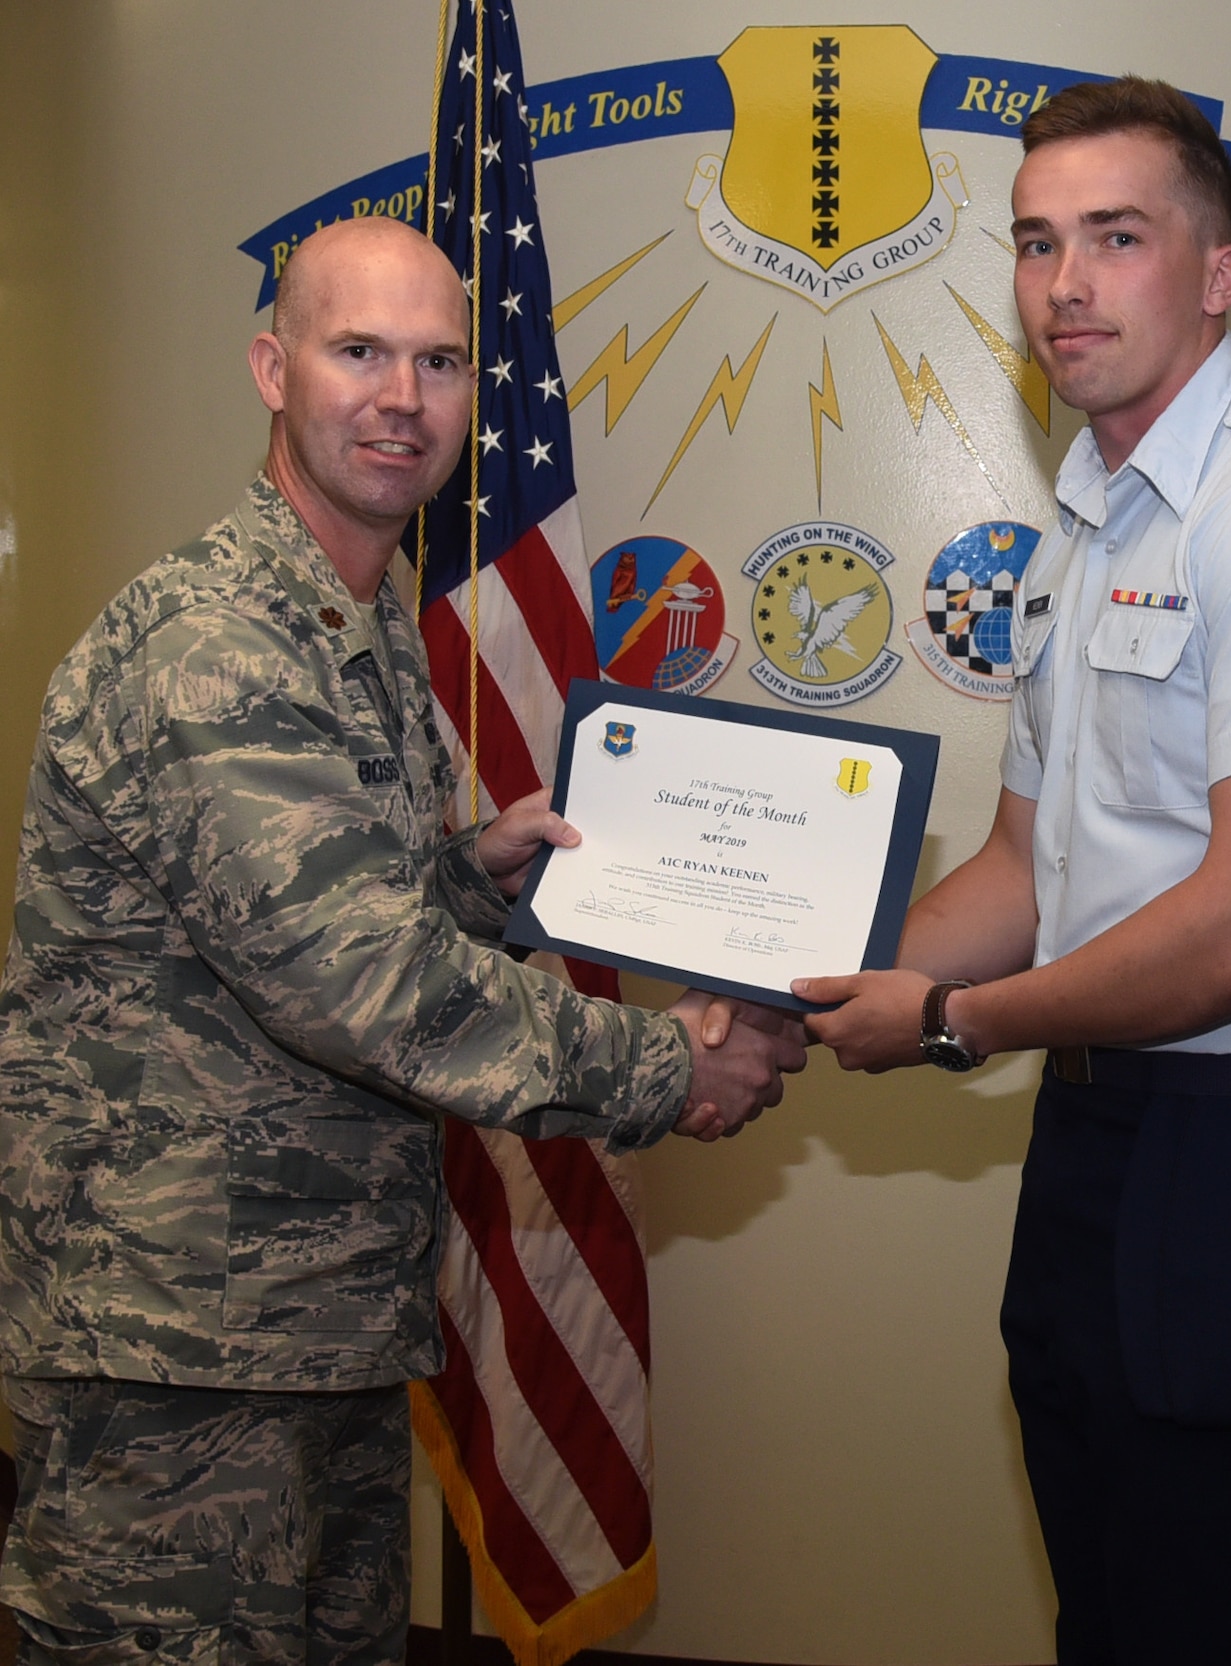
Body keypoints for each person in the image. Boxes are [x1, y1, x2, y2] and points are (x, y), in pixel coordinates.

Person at [0, 217, 805, 1665]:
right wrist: (664, 1065)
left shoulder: (350, 623)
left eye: (439, 362)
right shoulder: (217, 641)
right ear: (272, 366)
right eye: (358, 351)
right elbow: (359, 984)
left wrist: (466, 875)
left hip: (315, 1324)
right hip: (178, 1352)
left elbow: (298, 927)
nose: (403, 397)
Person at [797, 77, 1231, 1665]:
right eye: (1035, 243)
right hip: (1106, 1126)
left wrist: (957, 1021)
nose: (1066, 284)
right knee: (1120, 1602)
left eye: (1116, 237)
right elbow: (1028, 865)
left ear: (1216, 272)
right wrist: (793, 979)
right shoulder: (1092, 517)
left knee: (1215, 1615)